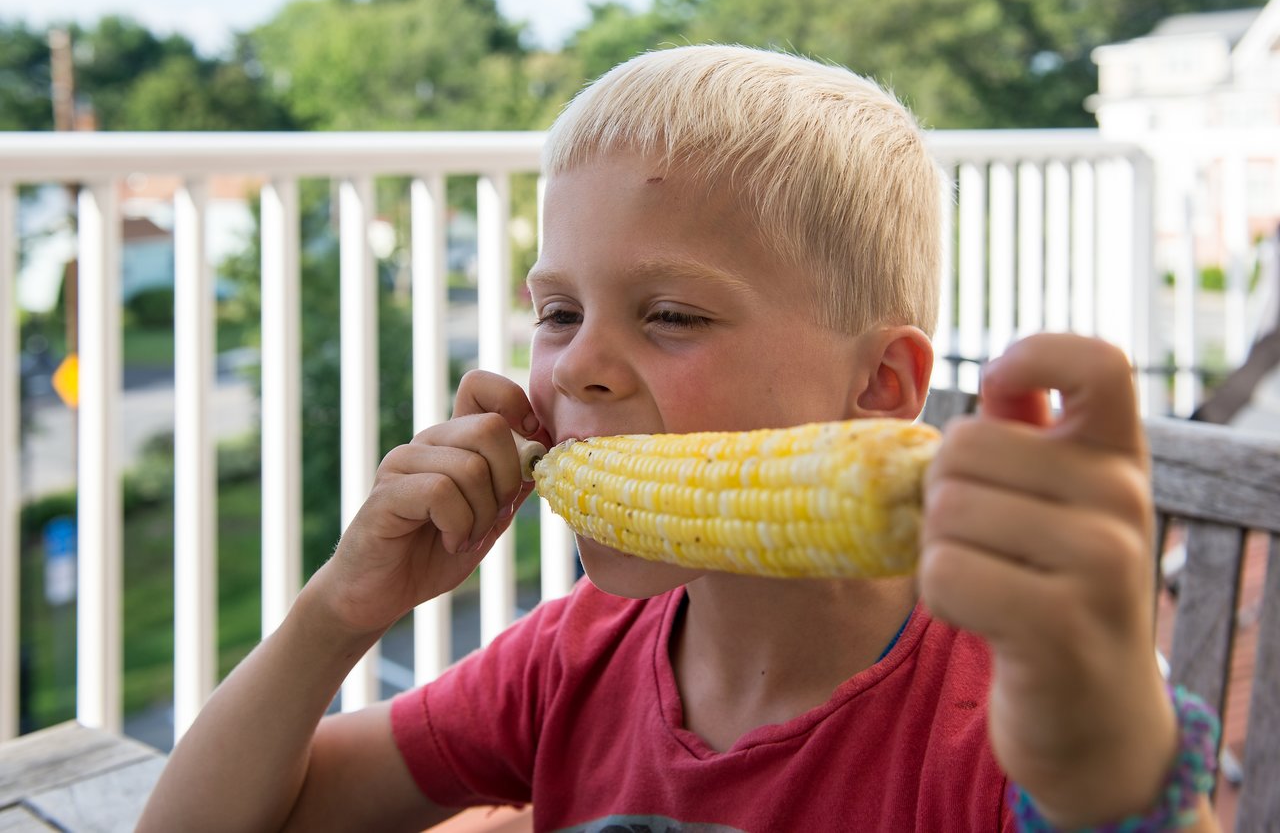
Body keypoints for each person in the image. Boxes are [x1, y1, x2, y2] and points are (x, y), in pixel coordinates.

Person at [139, 46, 1218, 832]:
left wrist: (1104, 752)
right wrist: (341, 607)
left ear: (878, 386)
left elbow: (1100, 788)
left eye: (672, 316)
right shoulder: (575, 655)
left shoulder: (995, 715)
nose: (572, 369)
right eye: (556, 312)